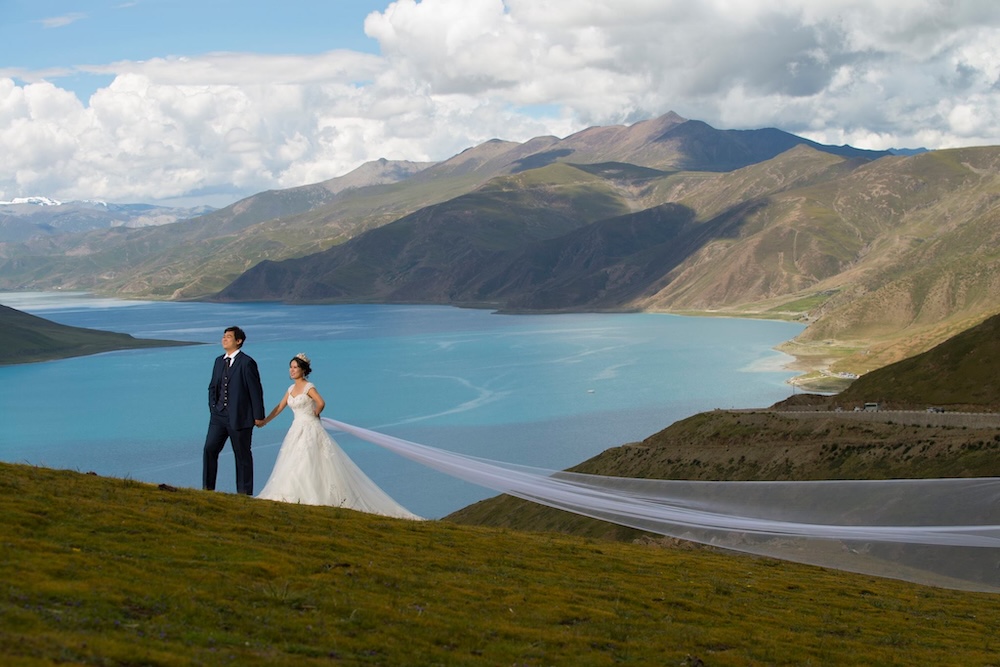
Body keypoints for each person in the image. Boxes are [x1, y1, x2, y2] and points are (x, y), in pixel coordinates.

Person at [256, 353, 421, 519]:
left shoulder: (308, 387)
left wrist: (315, 413)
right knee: (293, 461)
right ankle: (291, 493)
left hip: (309, 428)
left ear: (303, 370)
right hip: (295, 429)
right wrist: (265, 421)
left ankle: (309, 496)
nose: (291, 370)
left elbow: (321, 402)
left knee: (307, 460)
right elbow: (280, 407)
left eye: (295, 367)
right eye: (290, 367)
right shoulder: (290, 389)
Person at [203, 326, 266, 495]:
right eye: (223, 336)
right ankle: (207, 489)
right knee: (210, 449)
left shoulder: (247, 362)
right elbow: (212, 387)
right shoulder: (218, 361)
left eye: (228, 337)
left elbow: (255, 390)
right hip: (218, 417)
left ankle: (244, 493)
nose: (224, 339)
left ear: (238, 341)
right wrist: (213, 408)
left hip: (240, 418)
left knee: (242, 456)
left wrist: (259, 416)